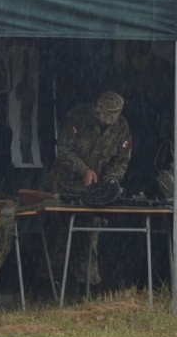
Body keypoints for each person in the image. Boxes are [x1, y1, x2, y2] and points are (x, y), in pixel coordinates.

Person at [46, 90, 132, 289]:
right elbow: (63, 150)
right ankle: (51, 284)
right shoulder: (78, 117)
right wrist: (84, 169)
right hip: (65, 184)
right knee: (59, 234)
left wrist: (111, 182)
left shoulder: (122, 128)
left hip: (93, 190)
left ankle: (85, 286)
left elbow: (120, 162)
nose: (103, 121)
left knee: (91, 232)